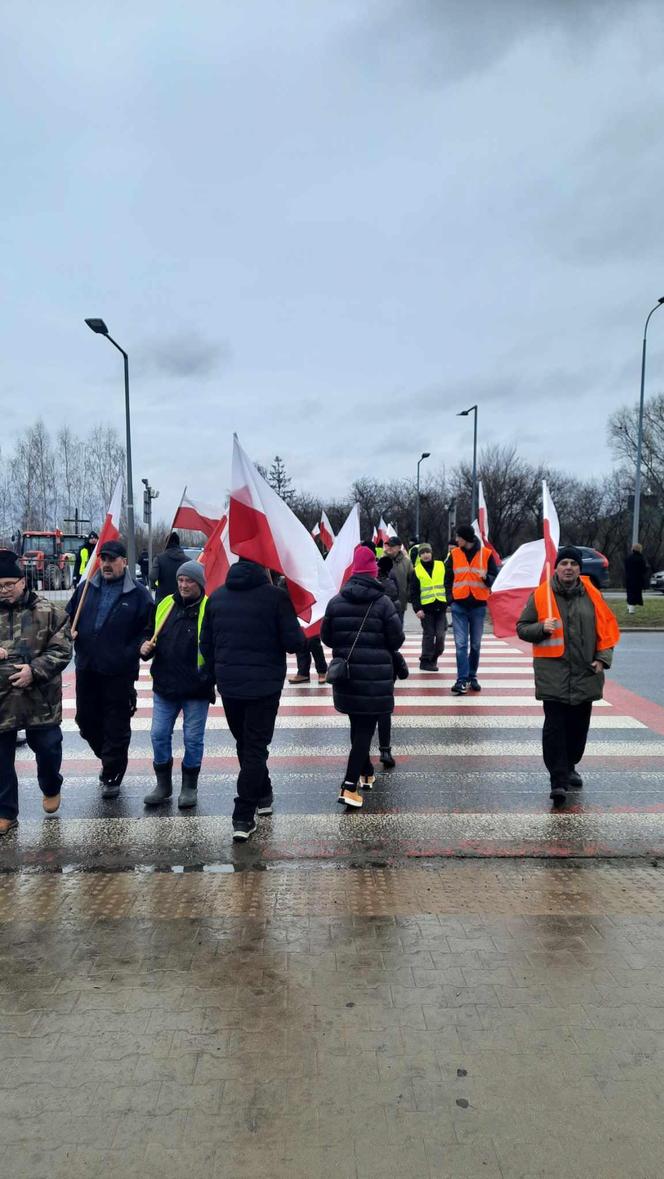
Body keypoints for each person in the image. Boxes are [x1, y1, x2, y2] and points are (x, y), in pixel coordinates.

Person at [199, 557, 305, 841]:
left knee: (247, 745)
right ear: (264, 567)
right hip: (265, 687)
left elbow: (205, 644)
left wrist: (209, 678)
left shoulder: (216, 597)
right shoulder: (276, 598)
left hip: (229, 685)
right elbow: (294, 643)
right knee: (255, 748)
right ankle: (243, 815)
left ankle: (264, 792)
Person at [517, 546, 619, 805]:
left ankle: (570, 764)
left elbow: (606, 631)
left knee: (578, 729)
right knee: (555, 728)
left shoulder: (592, 596)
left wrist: (602, 659)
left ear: (579, 569)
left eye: (573, 563)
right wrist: (541, 628)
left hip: (586, 673)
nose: (569, 568)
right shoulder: (541, 595)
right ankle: (557, 779)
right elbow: (522, 628)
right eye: (564, 563)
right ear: (556, 567)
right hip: (553, 675)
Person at [67, 539, 153, 799]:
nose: (106, 563)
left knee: (116, 723)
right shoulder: (85, 589)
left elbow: (147, 631)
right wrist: (68, 631)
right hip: (87, 667)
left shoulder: (138, 595)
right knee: (85, 721)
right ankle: (109, 756)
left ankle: (112, 772)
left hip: (119, 670)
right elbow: (68, 619)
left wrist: (141, 647)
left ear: (124, 562)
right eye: (103, 558)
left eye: (112, 559)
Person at [321, 545, 404, 808]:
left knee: (358, 727)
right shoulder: (382, 603)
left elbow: (326, 637)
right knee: (365, 729)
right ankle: (348, 785)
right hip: (376, 677)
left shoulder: (336, 602)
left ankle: (366, 772)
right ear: (373, 572)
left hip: (348, 676)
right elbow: (397, 639)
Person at [0, 550, 72, 835]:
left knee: (48, 748)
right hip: (2, 702)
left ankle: (51, 784)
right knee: (1, 760)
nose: (4, 591)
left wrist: (34, 670)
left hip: (40, 700)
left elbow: (63, 650)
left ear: (22, 582)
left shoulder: (49, 612)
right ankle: (6, 812)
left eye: (8, 584)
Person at [140, 560, 214, 809]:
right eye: (181, 580)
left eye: (189, 580)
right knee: (158, 735)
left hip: (196, 689)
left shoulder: (209, 608)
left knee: (193, 739)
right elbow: (150, 635)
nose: (183, 585)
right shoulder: (165, 604)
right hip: (165, 686)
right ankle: (163, 785)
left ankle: (189, 787)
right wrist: (145, 648)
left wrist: (209, 676)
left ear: (199, 583)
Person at [445, 525, 498, 695]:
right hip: (459, 605)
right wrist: (450, 599)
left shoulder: (486, 554)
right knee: (461, 644)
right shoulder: (454, 554)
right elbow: (447, 578)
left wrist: (487, 578)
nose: (456, 540)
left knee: (475, 645)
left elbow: (495, 578)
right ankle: (461, 680)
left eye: (458, 537)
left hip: (478, 606)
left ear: (466, 538)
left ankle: (472, 676)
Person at [375, 554, 402, 768]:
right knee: (383, 707)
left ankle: (361, 754)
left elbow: (329, 636)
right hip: (384, 660)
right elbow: (397, 637)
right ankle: (385, 750)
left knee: (358, 713)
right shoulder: (388, 593)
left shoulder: (343, 597)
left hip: (355, 663)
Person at [410, 541, 447, 672]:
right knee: (429, 635)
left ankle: (434, 657)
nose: (425, 555)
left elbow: (447, 583)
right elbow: (414, 592)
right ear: (419, 556)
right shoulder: (417, 571)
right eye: (422, 553)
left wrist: (449, 599)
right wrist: (417, 609)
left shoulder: (441, 565)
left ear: (432, 553)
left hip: (441, 607)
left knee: (441, 636)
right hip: (426, 609)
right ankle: (425, 661)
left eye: (427, 552)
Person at [151, 531, 188, 605]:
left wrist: (153, 585)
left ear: (166, 543)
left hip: (162, 598)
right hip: (182, 598)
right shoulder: (188, 561)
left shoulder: (159, 559)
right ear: (178, 543)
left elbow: (152, 576)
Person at [382, 536, 413, 616]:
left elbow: (411, 580)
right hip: (384, 602)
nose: (389, 548)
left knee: (398, 626)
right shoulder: (382, 560)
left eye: (392, 546)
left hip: (400, 602)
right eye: (388, 545)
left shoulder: (407, 562)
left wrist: (408, 594)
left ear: (399, 547)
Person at [625, 543, 648, 615]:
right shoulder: (641, 558)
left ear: (633, 549)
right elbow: (644, 570)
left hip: (629, 578)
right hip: (638, 579)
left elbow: (626, 568)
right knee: (637, 594)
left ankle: (630, 608)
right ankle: (631, 609)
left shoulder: (628, 558)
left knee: (630, 593)